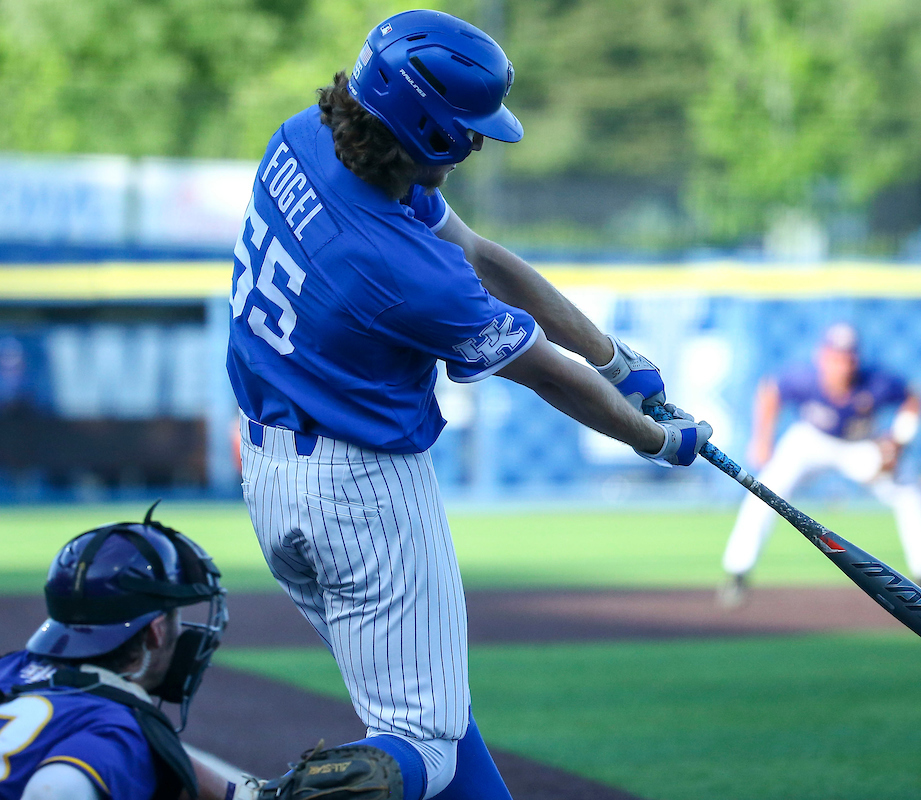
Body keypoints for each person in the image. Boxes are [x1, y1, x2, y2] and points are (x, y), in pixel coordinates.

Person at [227, 10, 711, 800]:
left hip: (274, 475)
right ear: (425, 128)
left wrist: (614, 357)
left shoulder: (306, 139)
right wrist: (654, 440)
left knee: (433, 716)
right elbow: (547, 375)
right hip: (361, 495)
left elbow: (483, 257)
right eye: (466, 130)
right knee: (424, 738)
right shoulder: (403, 269)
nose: (477, 145)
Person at [0, 505, 251, 800]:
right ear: (156, 631)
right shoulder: (115, 727)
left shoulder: (9, 668)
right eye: (175, 615)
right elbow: (55, 790)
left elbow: (162, 763)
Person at [718, 322, 921, 607]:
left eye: (848, 358)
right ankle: (737, 572)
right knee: (765, 491)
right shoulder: (805, 378)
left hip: (862, 444)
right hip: (812, 440)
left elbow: (913, 397)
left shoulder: (876, 382)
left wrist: (898, 440)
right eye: (835, 357)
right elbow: (770, 391)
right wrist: (762, 439)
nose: (842, 365)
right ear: (822, 357)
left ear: (856, 359)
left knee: (908, 491)